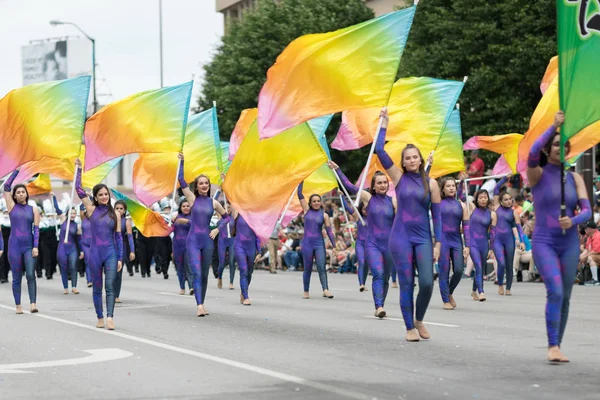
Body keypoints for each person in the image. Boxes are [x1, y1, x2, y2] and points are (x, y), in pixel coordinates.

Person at [526, 111, 591, 363]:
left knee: (565, 294)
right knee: (554, 290)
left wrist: (572, 220)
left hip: (569, 243)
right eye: (554, 144)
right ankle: (552, 345)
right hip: (544, 241)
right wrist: (553, 125)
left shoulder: (575, 178)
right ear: (547, 149)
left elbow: (586, 211)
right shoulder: (537, 175)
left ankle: (558, 345)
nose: (559, 148)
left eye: (563, 145)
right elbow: (532, 152)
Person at [374, 109, 442, 342]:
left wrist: (438, 243)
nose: (412, 160)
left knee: (426, 283)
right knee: (406, 284)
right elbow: (379, 150)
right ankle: (409, 328)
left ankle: (419, 319)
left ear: (421, 159)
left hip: (423, 238)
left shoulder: (432, 184)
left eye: (415, 156)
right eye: (407, 157)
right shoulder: (398, 178)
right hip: (400, 238)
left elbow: (438, 216)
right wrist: (384, 124)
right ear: (403, 162)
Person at [334, 161, 396, 317]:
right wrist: (338, 169)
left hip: (389, 245)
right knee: (378, 274)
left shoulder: (393, 201)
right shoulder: (368, 197)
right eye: (379, 183)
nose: (382, 185)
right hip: (372, 243)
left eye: (385, 183)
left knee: (386, 278)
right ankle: (379, 306)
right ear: (373, 186)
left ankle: (381, 303)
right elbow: (349, 186)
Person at [178, 154, 230, 317]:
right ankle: (199, 305)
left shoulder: (214, 203)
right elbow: (181, 179)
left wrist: (217, 229)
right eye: (201, 183)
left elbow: (227, 217)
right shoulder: (192, 199)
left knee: (205, 275)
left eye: (206, 183)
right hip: (193, 241)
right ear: (197, 186)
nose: (204, 185)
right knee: (197, 273)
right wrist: (182, 161)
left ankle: (202, 302)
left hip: (207, 242)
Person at [75, 159, 123, 330]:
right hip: (94, 254)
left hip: (110, 253)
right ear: (95, 197)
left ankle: (110, 317)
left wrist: (120, 258)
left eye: (106, 194)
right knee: (97, 287)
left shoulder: (115, 214)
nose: (104, 197)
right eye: (101, 194)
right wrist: (79, 169)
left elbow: (118, 238)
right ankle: (100, 317)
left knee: (110, 286)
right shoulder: (91, 209)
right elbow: (79, 189)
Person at [2, 170, 39, 314]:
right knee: (16, 276)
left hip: (29, 246)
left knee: (30, 274)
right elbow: (6, 186)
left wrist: (35, 246)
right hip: (14, 246)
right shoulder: (11, 207)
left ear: (26, 194)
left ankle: (33, 303)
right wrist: (16, 170)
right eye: (18, 192)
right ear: (15, 196)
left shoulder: (33, 209)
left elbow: (36, 229)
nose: (21, 194)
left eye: (23, 192)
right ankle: (18, 305)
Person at [297, 181, 336, 300]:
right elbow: (299, 193)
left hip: (319, 244)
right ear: (310, 203)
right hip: (307, 244)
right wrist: (301, 179)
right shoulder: (306, 210)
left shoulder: (324, 215)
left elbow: (329, 231)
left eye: (318, 201)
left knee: (321, 266)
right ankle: (306, 290)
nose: (316, 203)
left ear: (321, 202)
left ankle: (325, 289)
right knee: (307, 268)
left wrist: (334, 246)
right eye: (314, 201)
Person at [438, 177, 470, 310]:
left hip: (456, 240)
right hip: (443, 241)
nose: (451, 188)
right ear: (443, 189)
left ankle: (449, 291)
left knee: (458, 270)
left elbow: (466, 226)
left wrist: (467, 245)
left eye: (453, 186)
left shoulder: (462, 205)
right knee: (444, 271)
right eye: (448, 186)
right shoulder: (438, 203)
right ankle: (445, 300)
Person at [492, 177, 525, 296]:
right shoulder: (496, 207)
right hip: (497, 240)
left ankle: (508, 287)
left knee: (509, 264)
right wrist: (506, 178)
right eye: (505, 199)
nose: (509, 201)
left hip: (509, 240)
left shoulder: (514, 213)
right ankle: (500, 283)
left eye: (510, 199)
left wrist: (521, 241)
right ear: (501, 201)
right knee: (501, 263)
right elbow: (496, 188)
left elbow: (519, 228)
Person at [52, 193, 83, 295]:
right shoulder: (63, 219)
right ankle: (65, 287)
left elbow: (79, 240)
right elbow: (56, 208)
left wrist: (81, 251)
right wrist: (54, 197)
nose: (73, 215)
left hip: (73, 248)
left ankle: (74, 286)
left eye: (75, 213)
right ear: (68, 213)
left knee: (73, 266)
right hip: (62, 248)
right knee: (64, 267)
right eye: (72, 213)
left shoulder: (77, 226)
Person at [469, 189, 497, 302]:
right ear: (476, 199)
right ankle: (481, 292)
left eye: (485, 197)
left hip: (484, 244)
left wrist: (491, 248)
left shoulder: (492, 214)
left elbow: (493, 233)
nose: (483, 199)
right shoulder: (472, 207)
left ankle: (473, 290)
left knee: (480, 268)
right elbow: (461, 195)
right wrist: (462, 182)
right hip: (472, 243)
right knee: (479, 267)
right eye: (480, 197)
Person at [232, 210, 261, 305]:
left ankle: (243, 292)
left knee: (249, 272)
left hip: (251, 247)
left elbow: (258, 236)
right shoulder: (237, 212)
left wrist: (259, 251)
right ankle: (246, 296)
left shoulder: (256, 217)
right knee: (243, 270)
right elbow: (232, 198)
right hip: (239, 245)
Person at [341, 196, 369, 292]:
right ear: (361, 209)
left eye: (367, 209)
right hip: (360, 243)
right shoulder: (358, 217)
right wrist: (342, 196)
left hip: (371, 244)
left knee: (367, 265)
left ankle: (363, 283)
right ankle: (361, 284)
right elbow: (348, 208)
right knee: (361, 262)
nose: (365, 210)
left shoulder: (374, 218)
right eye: (364, 209)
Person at [113, 200, 135, 303]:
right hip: (109, 247)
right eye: (117, 208)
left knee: (118, 273)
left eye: (121, 209)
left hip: (121, 248)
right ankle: (110, 293)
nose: (119, 210)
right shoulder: (110, 220)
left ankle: (116, 295)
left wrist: (132, 251)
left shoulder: (126, 221)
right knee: (110, 272)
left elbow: (130, 237)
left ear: (125, 210)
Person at [173, 199, 193, 294]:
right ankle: (182, 287)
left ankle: (191, 287)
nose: (186, 208)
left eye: (187, 206)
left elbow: (197, 226)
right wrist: (172, 221)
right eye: (183, 206)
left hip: (189, 245)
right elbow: (169, 229)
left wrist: (186, 221)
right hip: (177, 245)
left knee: (188, 266)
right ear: (180, 208)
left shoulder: (193, 217)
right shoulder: (175, 217)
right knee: (179, 267)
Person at [217, 205, 236, 290]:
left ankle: (231, 282)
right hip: (222, 242)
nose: (227, 210)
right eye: (225, 208)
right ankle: (220, 277)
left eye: (229, 208)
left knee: (232, 261)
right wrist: (218, 191)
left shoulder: (234, 216)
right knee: (222, 262)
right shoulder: (220, 215)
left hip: (232, 241)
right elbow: (213, 201)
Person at [580, 221, 600, 285]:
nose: (584, 230)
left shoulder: (598, 236)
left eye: (586, 228)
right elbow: (588, 250)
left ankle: (595, 280)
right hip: (597, 255)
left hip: (597, 254)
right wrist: (581, 256)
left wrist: (585, 256)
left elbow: (596, 251)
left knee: (590, 258)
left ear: (590, 229)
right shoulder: (589, 237)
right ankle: (581, 279)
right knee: (581, 258)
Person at [79, 203, 93, 287]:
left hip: (94, 244)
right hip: (85, 244)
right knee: (88, 262)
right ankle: (89, 280)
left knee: (95, 263)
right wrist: (85, 196)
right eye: (86, 211)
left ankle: (96, 279)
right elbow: (81, 206)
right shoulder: (83, 218)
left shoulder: (95, 219)